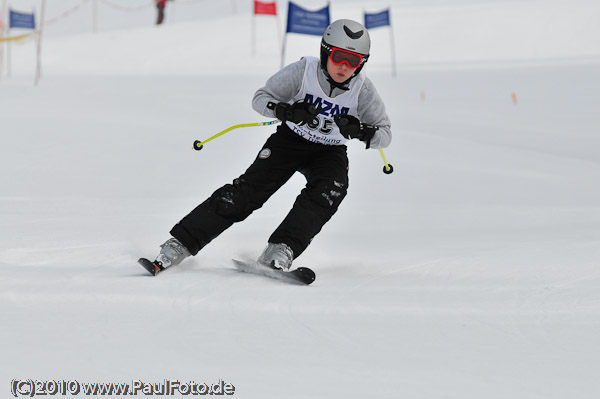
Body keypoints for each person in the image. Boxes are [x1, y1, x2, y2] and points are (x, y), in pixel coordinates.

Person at [145, 19, 392, 275]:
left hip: (329, 151)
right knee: (247, 193)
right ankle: (180, 243)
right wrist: (285, 110)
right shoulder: (303, 71)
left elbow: (385, 134)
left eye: (354, 61)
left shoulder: (363, 90)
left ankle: (281, 249)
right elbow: (260, 98)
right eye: (340, 56)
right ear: (326, 52)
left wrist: (362, 131)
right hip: (290, 141)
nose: (344, 66)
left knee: (329, 192)